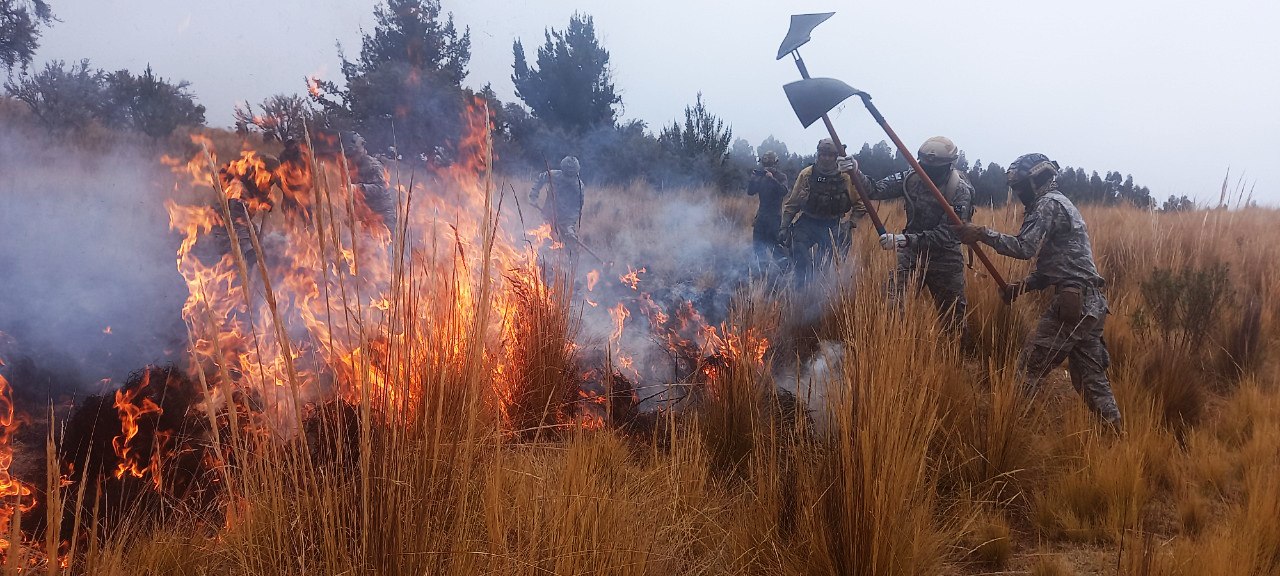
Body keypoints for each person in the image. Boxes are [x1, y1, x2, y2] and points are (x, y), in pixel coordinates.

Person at [955, 153, 1122, 430]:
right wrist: (1022, 287)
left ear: (1037, 181)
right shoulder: (1060, 204)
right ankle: (1115, 435)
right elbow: (1061, 263)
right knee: (1091, 379)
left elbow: (1024, 248)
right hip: (1090, 304)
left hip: (1073, 303)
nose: (1018, 193)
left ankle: (1007, 431)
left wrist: (982, 234)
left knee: (1028, 369)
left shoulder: (1047, 205)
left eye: (1021, 186)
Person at [856, 136, 973, 334]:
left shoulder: (960, 190)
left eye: (934, 168)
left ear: (948, 166)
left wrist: (904, 240)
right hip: (911, 255)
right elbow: (874, 190)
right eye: (924, 165)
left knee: (953, 317)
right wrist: (854, 171)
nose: (928, 171)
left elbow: (947, 234)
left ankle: (959, 357)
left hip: (945, 258)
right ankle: (892, 352)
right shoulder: (910, 177)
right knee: (892, 306)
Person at [780, 139, 866, 282]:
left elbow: (860, 204)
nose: (826, 158)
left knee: (824, 266)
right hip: (808, 222)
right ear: (818, 155)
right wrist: (784, 226)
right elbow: (792, 204)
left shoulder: (845, 176)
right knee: (798, 253)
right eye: (822, 154)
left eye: (830, 155)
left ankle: (819, 290)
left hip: (832, 225)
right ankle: (801, 287)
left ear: (835, 156)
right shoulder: (807, 174)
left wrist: (850, 224)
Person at [340, 131, 396, 235]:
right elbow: (351, 197)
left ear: (360, 152)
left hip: (383, 217)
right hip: (367, 219)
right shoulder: (351, 168)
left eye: (352, 156)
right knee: (366, 249)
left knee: (384, 250)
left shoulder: (372, 165)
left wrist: (359, 188)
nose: (350, 159)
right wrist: (351, 215)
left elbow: (381, 187)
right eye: (348, 156)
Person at [746, 151, 790, 263]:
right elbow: (750, 192)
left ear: (776, 164)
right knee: (758, 245)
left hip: (774, 217)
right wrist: (752, 180)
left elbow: (783, 191)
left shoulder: (781, 177)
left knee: (774, 245)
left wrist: (772, 179)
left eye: (770, 165)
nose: (768, 167)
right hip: (761, 216)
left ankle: (785, 270)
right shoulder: (761, 177)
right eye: (766, 165)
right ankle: (762, 271)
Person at [530, 156, 585, 243]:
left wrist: (570, 226)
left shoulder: (578, 187)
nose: (567, 179)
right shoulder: (554, 175)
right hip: (548, 214)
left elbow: (577, 209)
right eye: (566, 175)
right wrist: (533, 197)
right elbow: (540, 180)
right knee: (544, 240)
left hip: (566, 219)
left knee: (568, 243)